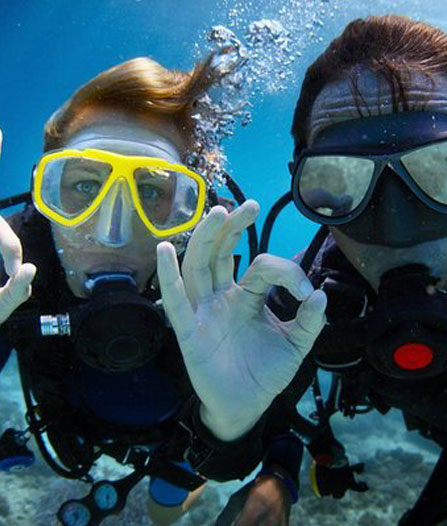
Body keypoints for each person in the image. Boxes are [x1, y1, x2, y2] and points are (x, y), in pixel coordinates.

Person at [248, 14, 447, 526]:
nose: (395, 223)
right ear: (306, 183)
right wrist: (270, 469)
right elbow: (264, 416)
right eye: (338, 180)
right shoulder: (302, 297)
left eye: (444, 170)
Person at [0, 55, 326, 526]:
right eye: (85, 184)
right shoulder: (16, 265)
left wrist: (233, 433)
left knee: (163, 511)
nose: (112, 233)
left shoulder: (216, 282)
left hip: (179, 443)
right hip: (72, 432)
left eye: (151, 193)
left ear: (189, 213)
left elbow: (268, 422)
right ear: (43, 197)